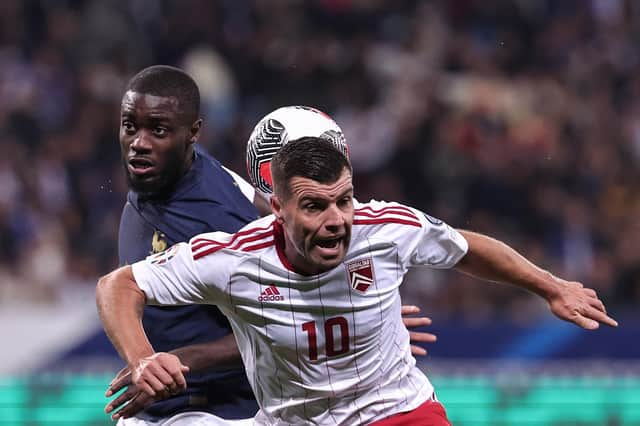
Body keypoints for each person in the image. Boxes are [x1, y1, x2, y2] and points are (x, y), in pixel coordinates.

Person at [97, 136, 617, 425]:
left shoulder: (386, 229)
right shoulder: (233, 260)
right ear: (277, 209)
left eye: (344, 199)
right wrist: (144, 357)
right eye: (315, 206)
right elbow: (118, 286)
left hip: (394, 411)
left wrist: (552, 286)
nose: (337, 219)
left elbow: (467, 248)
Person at [106, 66, 436, 424]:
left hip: (214, 409)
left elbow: (280, 319)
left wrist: (349, 312)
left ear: (192, 134)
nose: (139, 143)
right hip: (165, 406)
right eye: (130, 126)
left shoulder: (219, 219)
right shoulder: (175, 174)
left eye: (157, 130)